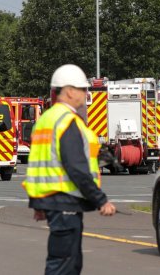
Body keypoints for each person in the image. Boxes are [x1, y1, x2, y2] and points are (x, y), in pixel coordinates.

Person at [24, 64, 116, 275]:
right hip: (65, 202)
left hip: (54, 201)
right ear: (69, 91)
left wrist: (40, 203)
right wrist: (100, 200)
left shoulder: (45, 120)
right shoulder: (67, 122)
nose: (86, 93)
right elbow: (76, 167)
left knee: (68, 262)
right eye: (83, 89)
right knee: (64, 265)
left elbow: (39, 166)